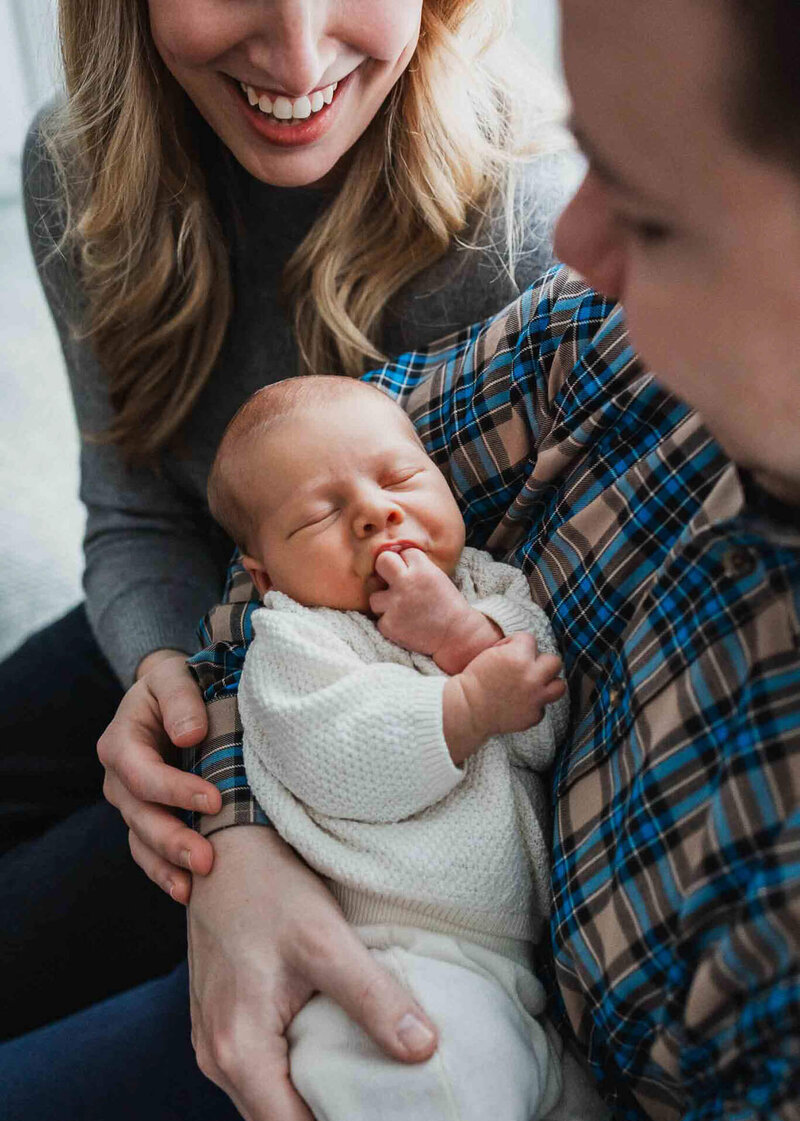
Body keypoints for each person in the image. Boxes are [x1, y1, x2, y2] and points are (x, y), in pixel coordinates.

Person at [1, 1, 798, 1121]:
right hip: (280, 692)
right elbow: (251, 559)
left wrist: (249, 821)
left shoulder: (524, 237)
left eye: (647, 208)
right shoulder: (604, 347)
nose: (578, 238)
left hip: (435, 999)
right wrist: (236, 819)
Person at [1, 0, 572, 1039]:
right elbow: (135, 512)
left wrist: (234, 791)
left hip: (369, 722)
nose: (300, 56)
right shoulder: (75, 165)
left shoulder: (522, 222)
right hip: (200, 599)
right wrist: (170, 673)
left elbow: (513, 710)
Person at [208, 375, 608, 1121]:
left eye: (398, 479)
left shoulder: (492, 591)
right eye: (320, 515)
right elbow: (343, 760)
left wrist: (463, 638)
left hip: (518, 976)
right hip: (391, 960)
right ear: (266, 575)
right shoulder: (294, 642)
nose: (375, 513)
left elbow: (539, 726)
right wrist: (463, 702)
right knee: (434, 1103)